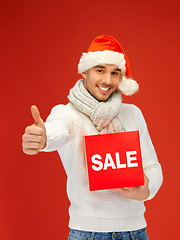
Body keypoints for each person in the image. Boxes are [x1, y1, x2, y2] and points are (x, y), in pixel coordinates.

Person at [22, 35, 163, 240]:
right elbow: (56, 130)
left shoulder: (132, 113)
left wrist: (147, 189)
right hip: (88, 233)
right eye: (100, 70)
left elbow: (152, 166)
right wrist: (42, 139)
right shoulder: (67, 113)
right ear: (84, 72)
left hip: (136, 232)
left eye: (115, 73)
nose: (107, 80)